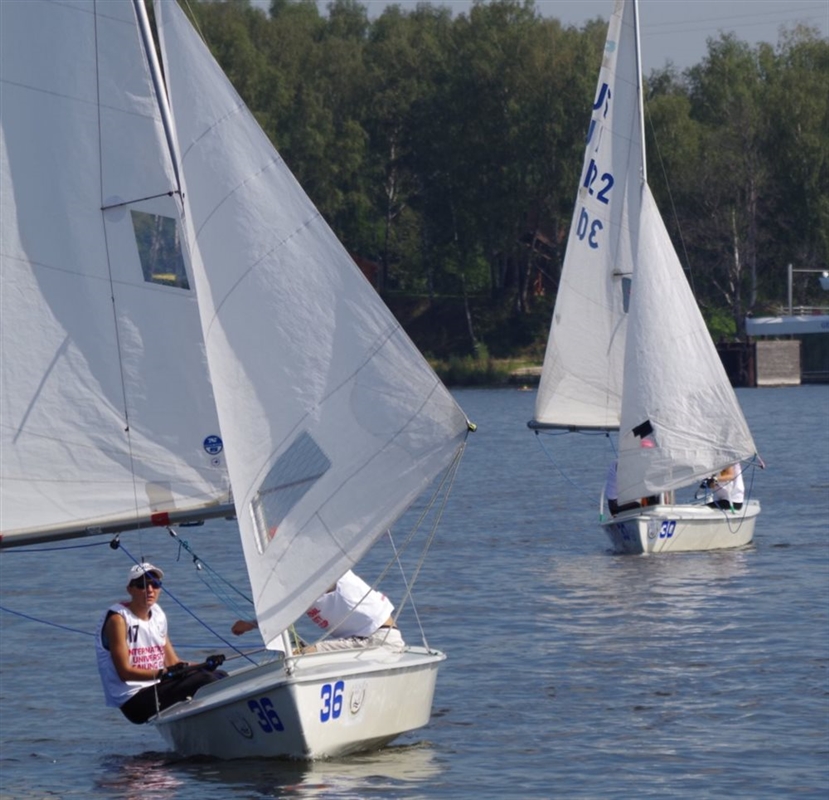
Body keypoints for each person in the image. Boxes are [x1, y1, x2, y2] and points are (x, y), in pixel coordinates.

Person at [95, 562, 226, 724]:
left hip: (158, 686)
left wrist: (204, 665)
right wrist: (163, 673)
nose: (150, 590)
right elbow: (125, 673)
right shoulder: (118, 620)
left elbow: (173, 663)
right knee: (206, 681)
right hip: (133, 700)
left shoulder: (157, 614)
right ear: (130, 589)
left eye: (155, 584)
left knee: (219, 675)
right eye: (142, 585)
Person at [232, 569, 404, 653]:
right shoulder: (304, 588)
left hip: (378, 640)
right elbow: (287, 611)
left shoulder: (328, 574)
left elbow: (287, 608)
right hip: (364, 640)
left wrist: (251, 624)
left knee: (304, 655)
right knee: (300, 657)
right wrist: (251, 624)